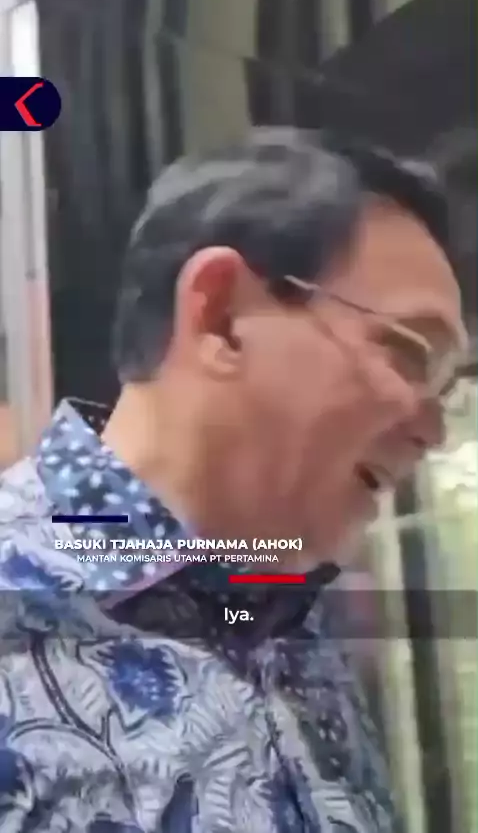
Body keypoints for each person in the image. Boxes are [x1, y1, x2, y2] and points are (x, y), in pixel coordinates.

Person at [0, 129, 467, 833]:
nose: (433, 430)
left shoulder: (295, 622)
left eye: (446, 388)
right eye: (408, 352)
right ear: (221, 316)